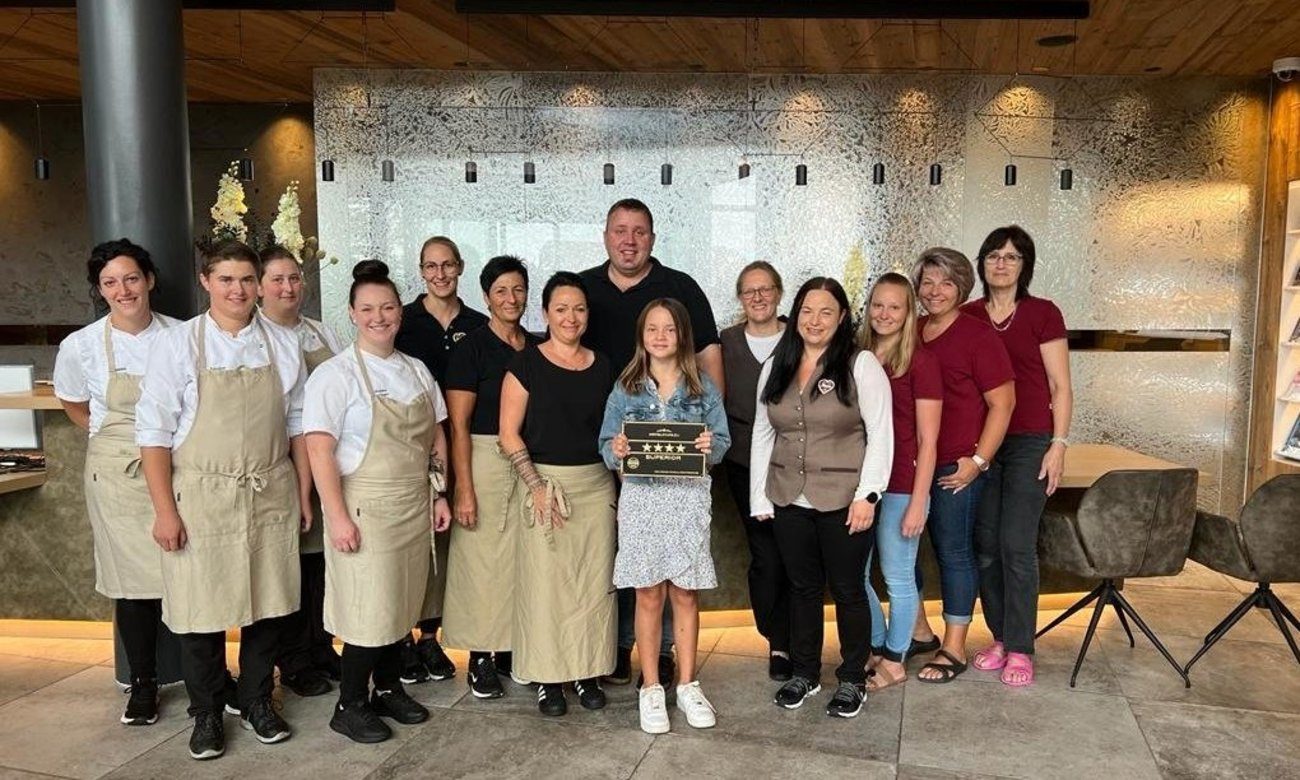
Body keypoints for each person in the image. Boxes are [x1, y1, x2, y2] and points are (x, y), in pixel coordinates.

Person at [137, 240, 309, 760]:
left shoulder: (282, 344)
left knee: (268, 605)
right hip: (202, 495)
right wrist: (165, 511)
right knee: (201, 610)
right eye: (227, 279)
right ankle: (207, 712)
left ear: (259, 284)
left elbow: (298, 426)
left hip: (269, 488)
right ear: (206, 281)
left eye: (247, 280)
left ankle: (256, 700)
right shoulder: (178, 345)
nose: (238, 290)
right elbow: (154, 434)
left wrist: (303, 494)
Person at [304, 260, 453, 744]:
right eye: (367, 309)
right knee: (368, 610)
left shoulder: (416, 370)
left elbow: (436, 435)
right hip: (364, 507)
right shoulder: (336, 375)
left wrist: (439, 492)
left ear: (400, 312)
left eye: (387, 307)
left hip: (412, 503)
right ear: (352, 313)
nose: (378, 317)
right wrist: (337, 517)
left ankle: (388, 689)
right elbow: (319, 449)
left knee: (400, 604)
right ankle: (349, 705)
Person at [580, 198, 722, 688]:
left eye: (639, 231)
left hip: (681, 482)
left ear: (653, 238)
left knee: (677, 580)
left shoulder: (680, 287)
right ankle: (619, 649)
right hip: (617, 461)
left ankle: (663, 660)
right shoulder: (585, 289)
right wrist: (614, 451)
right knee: (630, 565)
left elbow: (710, 365)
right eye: (619, 230)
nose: (629, 240)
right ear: (605, 236)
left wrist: (707, 439)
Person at [750, 277, 893, 719]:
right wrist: (760, 498)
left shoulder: (860, 363)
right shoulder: (777, 364)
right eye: (807, 311)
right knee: (802, 588)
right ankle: (805, 672)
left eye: (826, 312)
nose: (815, 321)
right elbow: (763, 432)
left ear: (842, 317)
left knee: (849, 590)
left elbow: (881, 433)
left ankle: (852, 679)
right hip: (787, 497)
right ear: (796, 315)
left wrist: (869, 495)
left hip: (845, 499)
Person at [54, 238, 181, 727]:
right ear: (100, 290)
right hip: (117, 474)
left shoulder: (182, 335)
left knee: (188, 572)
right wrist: (110, 436)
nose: (123, 290)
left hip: (178, 465)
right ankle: (143, 683)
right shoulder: (81, 345)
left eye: (131, 278)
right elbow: (72, 402)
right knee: (133, 585)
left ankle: (208, 676)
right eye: (110, 282)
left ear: (149, 280)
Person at [599, 298, 730, 735]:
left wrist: (711, 446)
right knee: (648, 593)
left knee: (686, 593)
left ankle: (688, 684)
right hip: (642, 500)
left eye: (669, 329)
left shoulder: (702, 387)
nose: (660, 336)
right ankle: (652, 686)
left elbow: (722, 441)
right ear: (642, 335)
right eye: (652, 328)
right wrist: (616, 449)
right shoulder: (625, 387)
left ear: (682, 336)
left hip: (688, 500)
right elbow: (606, 443)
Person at [499, 272, 616, 717]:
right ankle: (548, 678)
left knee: (593, 583)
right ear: (545, 313)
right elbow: (509, 434)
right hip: (545, 485)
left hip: (596, 485)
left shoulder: (604, 365)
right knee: (546, 587)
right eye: (561, 308)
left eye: (579, 309)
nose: (571, 317)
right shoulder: (525, 364)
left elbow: (615, 432)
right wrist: (535, 485)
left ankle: (587, 671)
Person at [962, 226, 1072, 687]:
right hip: (982, 443)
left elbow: (1060, 386)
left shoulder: (1043, 313)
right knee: (986, 546)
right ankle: (1001, 638)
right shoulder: (968, 314)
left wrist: (1058, 444)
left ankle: (1022, 648)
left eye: (1011, 257)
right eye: (993, 256)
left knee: (1016, 545)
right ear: (982, 263)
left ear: (1024, 265)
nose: (1001, 264)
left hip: (1029, 441)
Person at [911, 247, 1016, 684]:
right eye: (928, 282)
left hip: (955, 467)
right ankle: (919, 632)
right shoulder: (912, 329)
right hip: (911, 464)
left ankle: (954, 647)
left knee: (953, 552)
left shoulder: (978, 336)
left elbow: (1003, 403)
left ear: (962, 288)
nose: (935, 291)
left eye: (947, 283)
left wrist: (977, 461)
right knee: (903, 550)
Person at [442, 255, 540, 699]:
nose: (511, 298)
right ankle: (480, 656)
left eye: (518, 289)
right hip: (483, 459)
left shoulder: (536, 346)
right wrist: (463, 487)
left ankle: (511, 648)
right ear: (486, 297)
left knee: (521, 559)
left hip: (528, 461)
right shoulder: (471, 348)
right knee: (482, 561)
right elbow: (458, 425)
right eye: (501, 291)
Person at [393, 235, 486, 683]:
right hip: (406, 446)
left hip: (460, 447)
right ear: (421, 271)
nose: (440, 274)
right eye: (431, 266)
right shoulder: (402, 321)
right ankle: (399, 639)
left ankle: (429, 637)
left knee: (443, 548)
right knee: (406, 544)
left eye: (447, 265)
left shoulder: (479, 324)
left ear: (460, 267)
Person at [259, 245, 347, 697]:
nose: (288, 287)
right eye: (277, 279)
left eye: (294, 278)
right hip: (282, 461)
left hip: (326, 461)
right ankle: (292, 658)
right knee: (288, 563)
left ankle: (320, 644)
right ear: (259, 286)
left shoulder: (320, 332)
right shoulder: (255, 337)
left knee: (320, 562)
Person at [859, 273, 942, 692]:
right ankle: (877, 645)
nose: (884, 314)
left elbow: (929, 441)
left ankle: (895, 660)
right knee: (855, 576)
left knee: (897, 577)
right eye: (878, 305)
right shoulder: (858, 356)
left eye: (894, 306)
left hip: (902, 486)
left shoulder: (920, 363)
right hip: (861, 485)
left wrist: (918, 501)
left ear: (909, 312)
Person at [719, 260, 793, 682]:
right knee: (765, 554)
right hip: (744, 462)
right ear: (740, 298)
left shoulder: (800, 336)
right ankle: (776, 639)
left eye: (766, 289)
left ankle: (799, 638)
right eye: (750, 291)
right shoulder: (726, 342)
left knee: (796, 552)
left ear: (779, 293)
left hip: (797, 463)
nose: (759, 297)